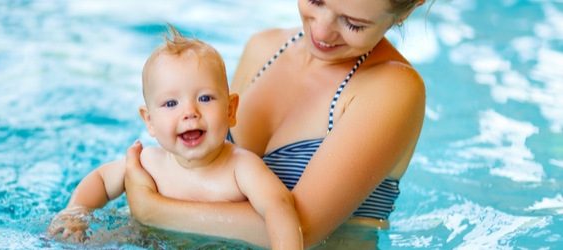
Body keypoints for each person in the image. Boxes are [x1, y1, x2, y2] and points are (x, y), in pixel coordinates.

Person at [123, 0, 429, 248]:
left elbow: (301, 231)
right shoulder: (263, 48)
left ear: (408, 9)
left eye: (353, 24)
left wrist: (152, 209)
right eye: (316, 1)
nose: (321, 31)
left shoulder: (393, 88)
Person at [47, 25, 303, 249]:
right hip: (139, 239)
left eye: (205, 98)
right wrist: (74, 213)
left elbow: (279, 209)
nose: (189, 113)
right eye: (171, 103)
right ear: (150, 121)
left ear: (230, 110)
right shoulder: (149, 163)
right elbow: (101, 180)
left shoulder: (242, 168)